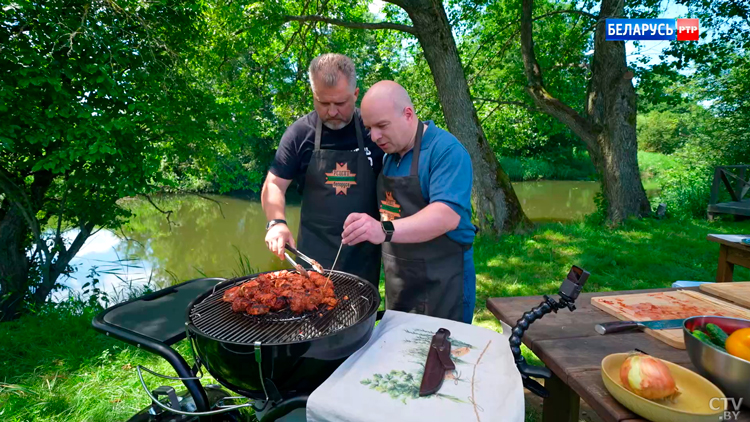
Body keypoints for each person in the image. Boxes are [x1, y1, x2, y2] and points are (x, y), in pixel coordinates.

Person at [341, 81, 476, 323]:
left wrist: (383, 229)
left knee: (442, 358)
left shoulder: (445, 151)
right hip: (401, 283)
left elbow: (444, 216)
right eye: (369, 127)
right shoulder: (390, 156)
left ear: (408, 114)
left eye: (382, 126)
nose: (375, 136)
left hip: (444, 283)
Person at [261, 53, 384, 286]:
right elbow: (274, 184)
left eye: (340, 103)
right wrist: (276, 222)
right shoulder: (299, 134)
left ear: (356, 95)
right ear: (313, 95)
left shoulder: (373, 131)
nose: (332, 112)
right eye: (323, 102)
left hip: (364, 260)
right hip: (312, 259)